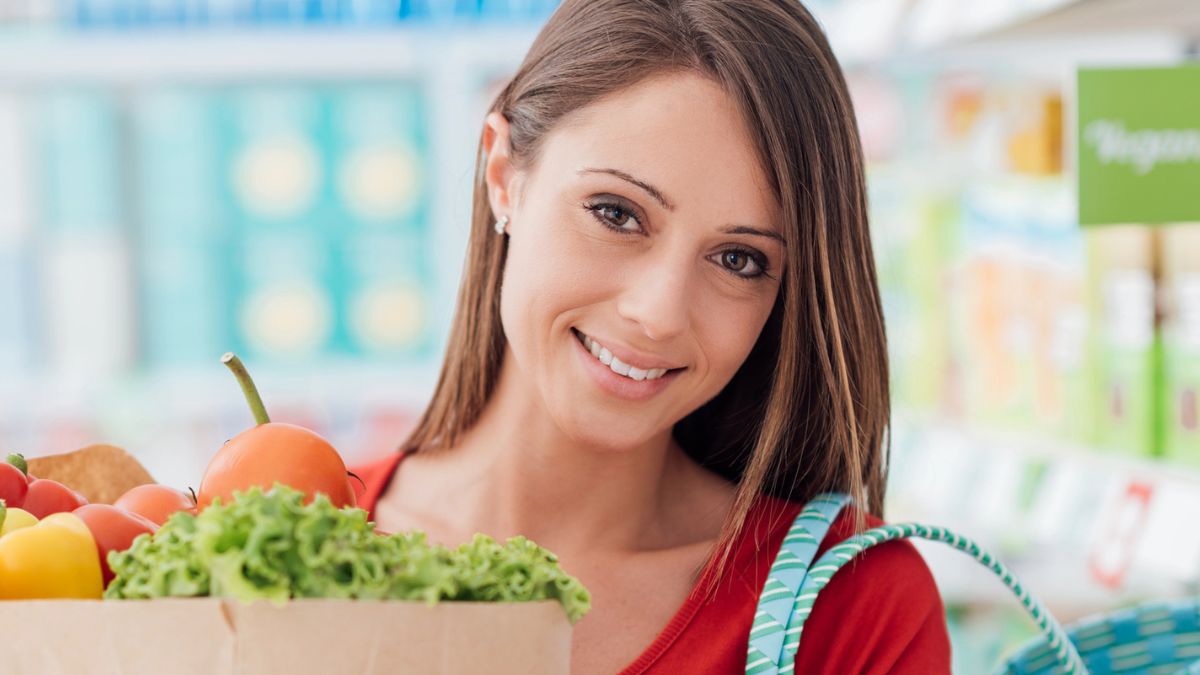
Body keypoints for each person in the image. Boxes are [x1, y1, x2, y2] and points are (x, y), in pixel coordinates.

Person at [351, 0, 950, 672]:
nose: (659, 313)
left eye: (738, 259)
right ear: (503, 175)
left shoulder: (851, 604)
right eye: (616, 213)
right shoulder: (269, 537)